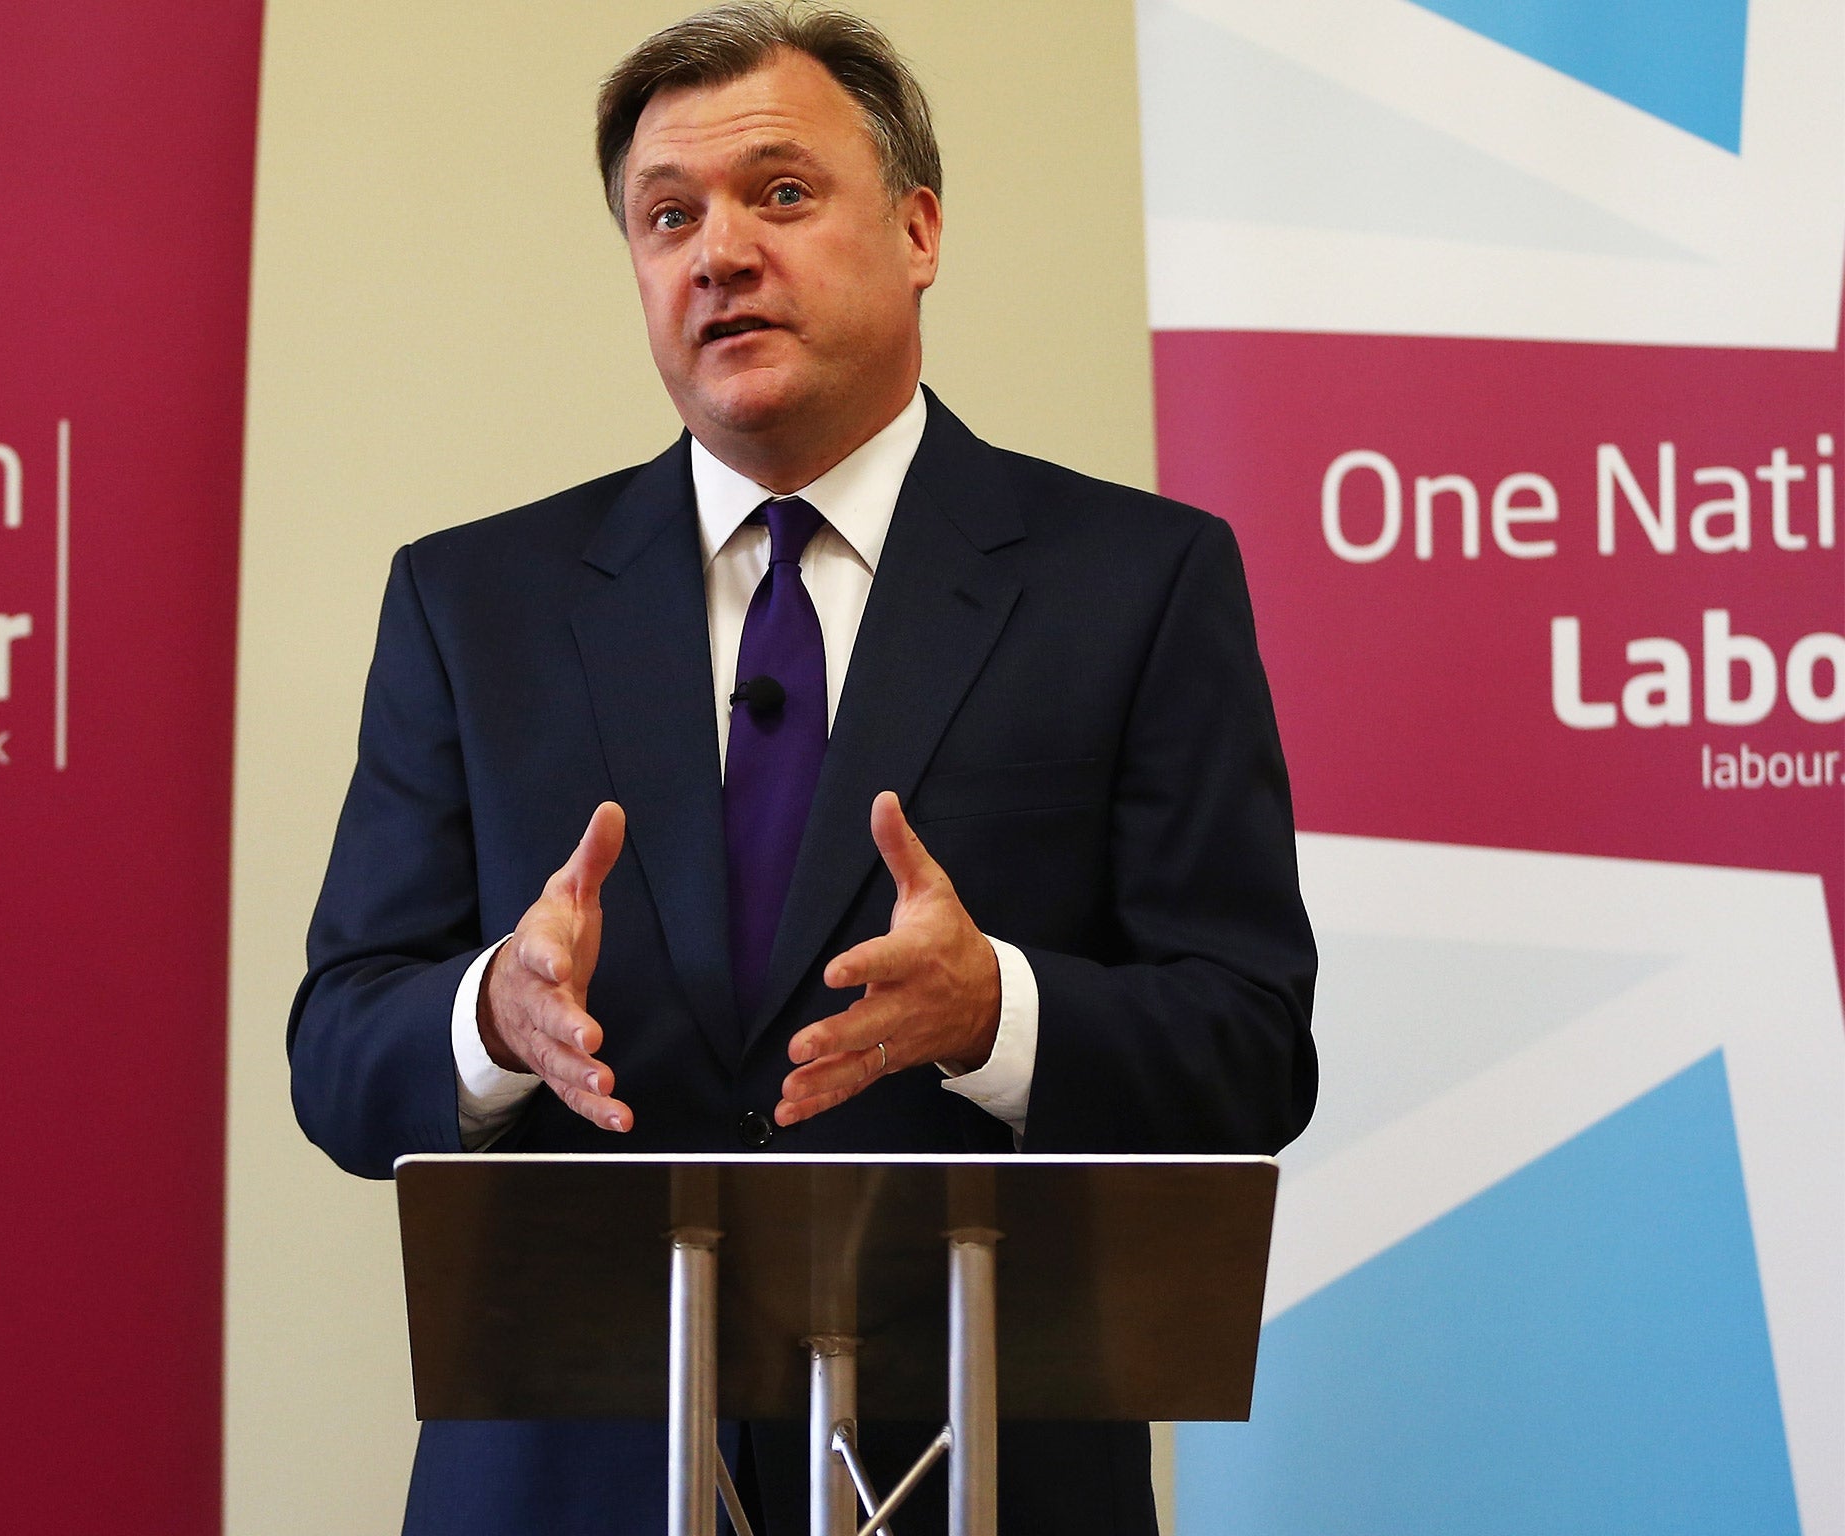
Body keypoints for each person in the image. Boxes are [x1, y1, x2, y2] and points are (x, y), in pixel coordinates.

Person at [289, 5, 1317, 1532]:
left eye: (779, 193)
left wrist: (999, 1010)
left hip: (985, 1474)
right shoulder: (474, 604)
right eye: (667, 215)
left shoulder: (1136, 582)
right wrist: (491, 1017)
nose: (716, 252)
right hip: (565, 1491)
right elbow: (337, 1054)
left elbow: (1251, 1054)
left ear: (917, 228)